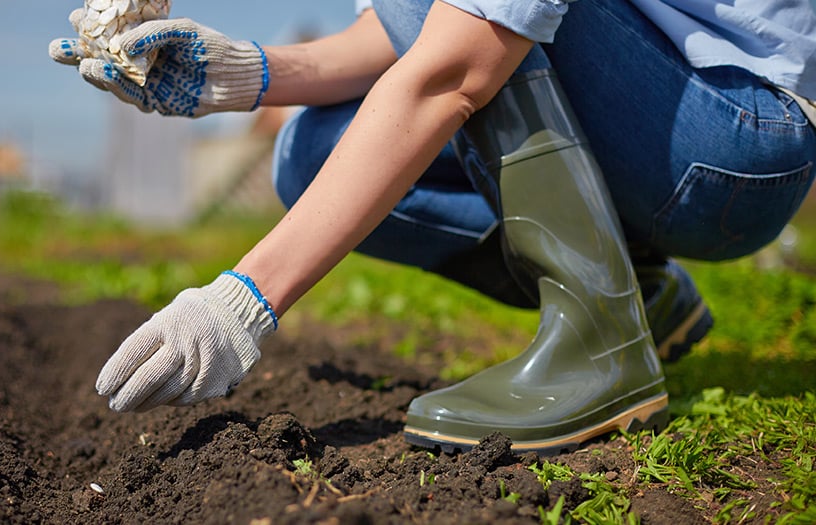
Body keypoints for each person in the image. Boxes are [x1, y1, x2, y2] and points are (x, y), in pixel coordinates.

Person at [50, 0, 816, 454]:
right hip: (671, 131)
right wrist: (236, 76)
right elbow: (410, 30)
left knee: (479, 32)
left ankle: (600, 338)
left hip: (738, 137)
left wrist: (241, 301)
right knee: (309, 153)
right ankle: (643, 294)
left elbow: (456, 66)